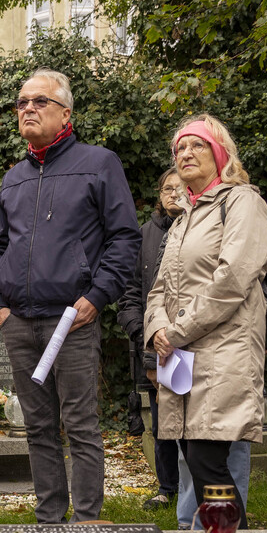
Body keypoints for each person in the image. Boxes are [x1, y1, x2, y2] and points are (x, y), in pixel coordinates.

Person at [0, 69, 140, 522]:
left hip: (72, 320)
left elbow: (124, 238)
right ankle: (49, 520)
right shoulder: (13, 177)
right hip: (19, 322)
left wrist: (97, 295)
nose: (28, 109)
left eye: (39, 101)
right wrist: (0, 306)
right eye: (21, 103)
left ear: (65, 113)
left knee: (80, 425)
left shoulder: (99, 162)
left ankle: (87, 521)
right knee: (36, 426)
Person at [145, 114, 267, 528]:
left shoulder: (242, 202)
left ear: (220, 153)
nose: (185, 153)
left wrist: (176, 329)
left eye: (196, 145)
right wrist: (157, 329)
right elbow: (159, 286)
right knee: (197, 460)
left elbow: (232, 279)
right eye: (179, 148)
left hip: (223, 351)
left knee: (208, 458)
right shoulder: (184, 216)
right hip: (181, 356)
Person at [118, 169, 187, 510]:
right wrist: (145, 335)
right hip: (156, 345)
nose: (175, 193)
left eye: (182, 187)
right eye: (168, 188)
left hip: (194, 339)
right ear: (159, 195)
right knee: (163, 424)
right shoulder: (143, 235)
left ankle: (195, 489)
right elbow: (129, 295)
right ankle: (167, 488)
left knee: (195, 422)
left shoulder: (202, 228)